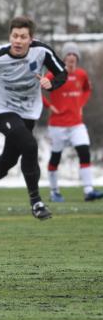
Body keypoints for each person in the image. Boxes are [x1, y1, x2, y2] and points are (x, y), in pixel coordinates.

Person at [0, 16, 67, 220]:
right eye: (15, 36)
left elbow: (62, 73)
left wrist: (52, 84)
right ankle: (36, 202)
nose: (18, 41)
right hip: (2, 110)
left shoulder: (42, 52)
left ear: (31, 39)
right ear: (10, 36)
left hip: (28, 111)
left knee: (10, 159)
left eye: (23, 37)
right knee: (30, 145)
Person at [43, 42, 103, 202]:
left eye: (74, 55)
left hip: (77, 124)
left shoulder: (82, 74)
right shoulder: (54, 73)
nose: (71, 57)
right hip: (57, 125)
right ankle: (54, 192)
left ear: (77, 58)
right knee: (55, 157)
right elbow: (37, 88)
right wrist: (48, 105)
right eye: (68, 54)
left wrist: (80, 104)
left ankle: (89, 191)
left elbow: (87, 89)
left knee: (84, 152)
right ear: (63, 58)